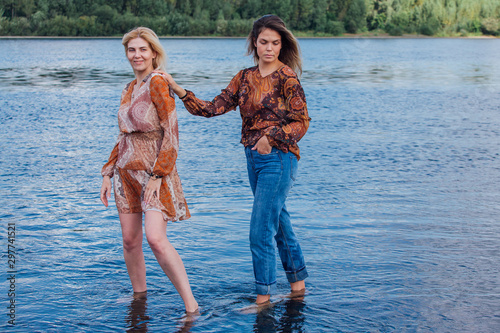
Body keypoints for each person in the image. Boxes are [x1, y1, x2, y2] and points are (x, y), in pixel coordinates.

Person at [164, 15, 310, 304]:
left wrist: (271, 139)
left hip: (279, 158)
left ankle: (262, 300)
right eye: (264, 42)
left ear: (281, 46)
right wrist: (179, 90)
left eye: (275, 43)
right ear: (254, 43)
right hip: (253, 159)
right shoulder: (244, 78)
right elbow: (212, 108)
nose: (269, 48)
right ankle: (298, 287)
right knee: (279, 224)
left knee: (260, 231)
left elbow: (301, 122)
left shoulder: (287, 77)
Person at [99, 27, 198, 313]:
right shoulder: (129, 88)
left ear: (154, 53)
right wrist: (107, 172)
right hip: (125, 173)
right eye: (132, 50)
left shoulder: (157, 82)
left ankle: (191, 307)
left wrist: (158, 175)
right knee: (130, 241)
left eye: (143, 49)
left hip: (154, 173)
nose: (137, 55)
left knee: (155, 238)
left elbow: (172, 133)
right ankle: (139, 297)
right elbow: (123, 135)